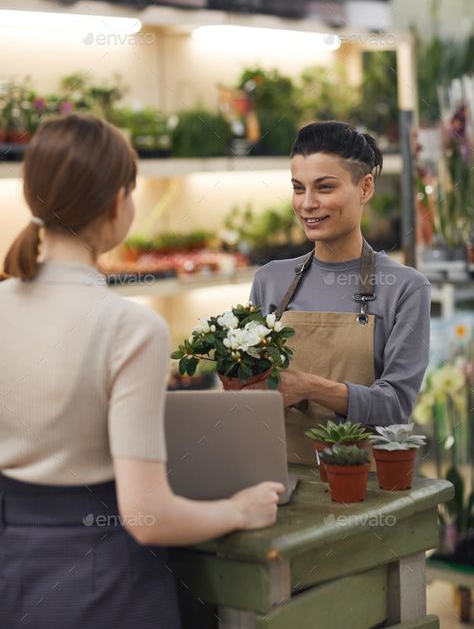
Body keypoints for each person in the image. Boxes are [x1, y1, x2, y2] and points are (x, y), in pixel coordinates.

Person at [0, 113, 283, 629]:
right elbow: (148, 516)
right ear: (116, 203)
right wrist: (241, 511)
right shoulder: (129, 327)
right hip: (105, 589)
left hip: (16, 576)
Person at [249, 121, 431, 464]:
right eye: (298, 188)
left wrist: (309, 387)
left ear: (365, 188)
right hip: (276, 481)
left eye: (325, 187)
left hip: (366, 488)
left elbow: (395, 406)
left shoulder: (405, 288)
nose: (307, 204)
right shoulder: (270, 280)